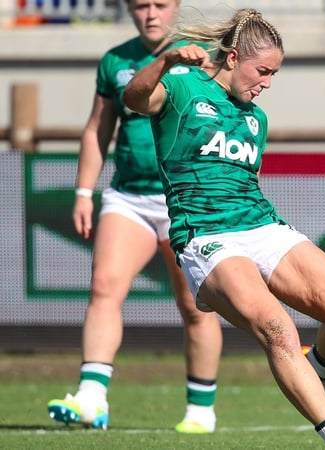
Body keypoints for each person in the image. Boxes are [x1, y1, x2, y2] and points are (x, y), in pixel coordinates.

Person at [121, 8, 325, 449]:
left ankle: (322, 367)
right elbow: (134, 98)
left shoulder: (256, 120)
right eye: (263, 71)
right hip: (207, 237)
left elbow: (247, 184)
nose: (267, 83)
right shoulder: (183, 88)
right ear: (234, 58)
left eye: (275, 74)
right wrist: (163, 63)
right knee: (278, 328)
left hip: (261, 226)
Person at [47, 0, 224, 434]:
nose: (150, 13)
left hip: (186, 200)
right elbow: (97, 128)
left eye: (160, 4)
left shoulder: (203, 56)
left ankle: (201, 410)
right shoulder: (116, 61)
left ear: (177, 6)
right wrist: (84, 191)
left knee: (196, 304)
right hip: (129, 197)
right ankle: (91, 398)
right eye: (140, 5)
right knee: (104, 285)